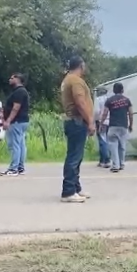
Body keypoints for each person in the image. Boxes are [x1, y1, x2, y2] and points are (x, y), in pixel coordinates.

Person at [60, 56, 95, 203]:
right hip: (77, 121)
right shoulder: (76, 81)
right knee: (74, 157)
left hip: (73, 121)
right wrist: (90, 121)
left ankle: (76, 187)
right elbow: (80, 102)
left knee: (76, 156)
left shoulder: (67, 79)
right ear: (81, 66)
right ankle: (68, 191)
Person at [0, 73, 31, 176]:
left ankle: (13, 168)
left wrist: (8, 120)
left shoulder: (19, 92)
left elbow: (16, 107)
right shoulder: (21, 91)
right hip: (22, 121)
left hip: (16, 121)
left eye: (12, 78)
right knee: (20, 145)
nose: (10, 79)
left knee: (14, 145)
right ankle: (20, 167)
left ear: (18, 79)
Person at [102, 82, 133, 173]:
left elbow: (104, 113)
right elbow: (131, 113)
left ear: (114, 90)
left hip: (113, 126)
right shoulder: (127, 100)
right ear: (122, 90)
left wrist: (101, 123)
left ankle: (115, 165)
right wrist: (131, 125)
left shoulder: (109, 100)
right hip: (123, 126)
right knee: (122, 145)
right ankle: (122, 163)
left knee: (113, 145)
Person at [94, 88, 111, 169]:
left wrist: (96, 120)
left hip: (101, 121)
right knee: (108, 140)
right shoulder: (110, 99)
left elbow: (97, 111)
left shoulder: (98, 99)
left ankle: (105, 160)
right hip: (111, 122)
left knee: (102, 140)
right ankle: (103, 160)